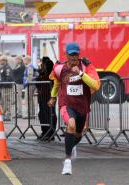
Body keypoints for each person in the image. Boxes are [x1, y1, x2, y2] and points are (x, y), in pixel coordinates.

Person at [48, 42, 100, 175]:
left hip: (82, 106)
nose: (73, 57)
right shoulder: (59, 69)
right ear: (66, 55)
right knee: (70, 125)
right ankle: (67, 162)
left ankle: (72, 145)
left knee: (79, 133)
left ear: (79, 55)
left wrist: (81, 74)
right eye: (71, 55)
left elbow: (96, 85)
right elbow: (57, 83)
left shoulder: (86, 66)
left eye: (76, 54)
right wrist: (53, 97)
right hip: (67, 104)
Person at [35, 57, 57, 141]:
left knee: (49, 114)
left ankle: (50, 132)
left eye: (42, 63)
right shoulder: (42, 72)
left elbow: (42, 79)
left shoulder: (49, 73)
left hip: (49, 96)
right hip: (42, 96)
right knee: (42, 114)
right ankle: (44, 132)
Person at [0, 55, 14, 121]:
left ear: (4, 60)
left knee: (7, 101)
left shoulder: (7, 68)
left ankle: (8, 114)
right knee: (3, 101)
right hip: (3, 86)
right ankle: (4, 114)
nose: (0, 62)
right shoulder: (3, 67)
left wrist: (4, 84)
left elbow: (9, 77)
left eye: (1, 60)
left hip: (7, 87)